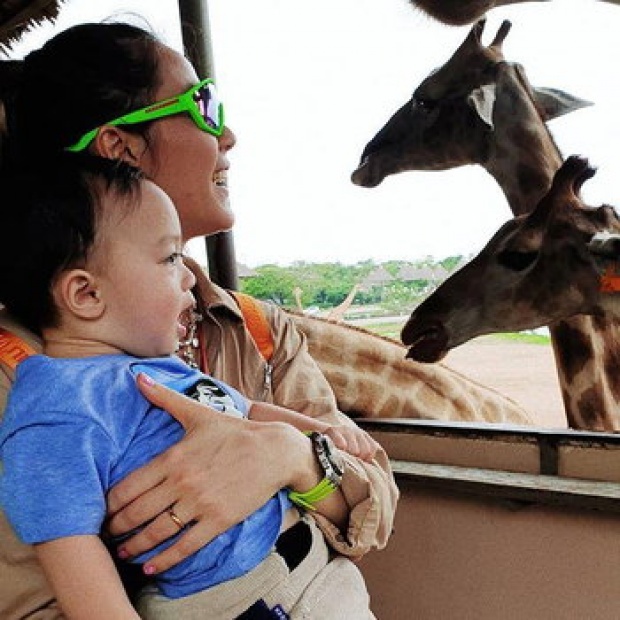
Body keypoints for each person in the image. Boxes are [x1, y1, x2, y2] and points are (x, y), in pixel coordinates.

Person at [0, 20, 398, 619]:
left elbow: (377, 500)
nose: (228, 135)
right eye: (204, 106)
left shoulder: (260, 332)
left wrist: (286, 455)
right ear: (121, 148)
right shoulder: (22, 385)